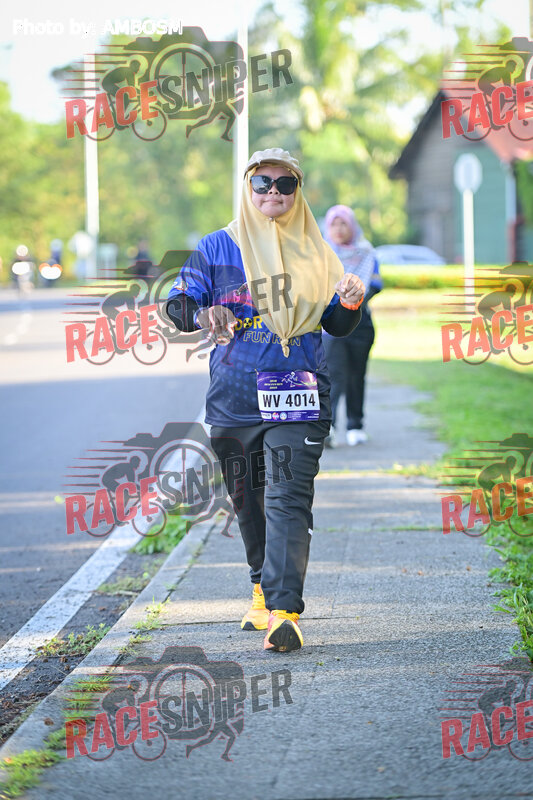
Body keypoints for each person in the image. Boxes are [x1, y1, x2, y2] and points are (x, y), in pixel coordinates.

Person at [165, 148, 364, 653]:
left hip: (300, 390)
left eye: (285, 183)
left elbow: (336, 324)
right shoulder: (218, 246)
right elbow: (178, 304)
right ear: (248, 188)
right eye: (263, 183)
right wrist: (203, 313)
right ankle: (260, 586)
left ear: (297, 190)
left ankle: (284, 612)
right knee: (248, 499)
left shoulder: (317, 250)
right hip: (234, 397)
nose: (273, 192)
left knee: (287, 495)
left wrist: (350, 303)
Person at [322, 205, 380, 447]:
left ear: (352, 226)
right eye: (334, 224)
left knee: (357, 375)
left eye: (343, 223)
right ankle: (330, 427)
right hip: (331, 325)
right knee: (332, 376)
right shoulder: (322, 254)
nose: (338, 229)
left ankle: (355, 426)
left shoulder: (367, 252)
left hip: (361, 325)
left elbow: (375, 285)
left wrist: (351, 302)